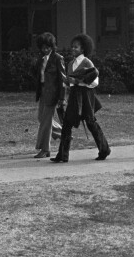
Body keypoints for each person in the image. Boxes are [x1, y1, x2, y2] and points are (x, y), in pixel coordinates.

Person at [51, 34, 110, 163]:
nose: (73, 49)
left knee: (91, 123)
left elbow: (95, 82)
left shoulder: (87, 62)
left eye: (76, 47)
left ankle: (104, 150)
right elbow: (70, 83)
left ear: (83, 49)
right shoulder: (71, 63)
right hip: (74, 96)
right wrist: (67, 84)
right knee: (66, 124)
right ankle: (62, 155)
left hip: (85, 96)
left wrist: (77, 81)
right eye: (72, 47)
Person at [32, 32, 65, 158]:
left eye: (47, 47)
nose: (45, 50)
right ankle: (64, 133)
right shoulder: (41, 59)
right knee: (41, 118)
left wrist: (62, 98)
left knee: (45, 122)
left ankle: (45, 149)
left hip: (52, 93)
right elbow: (38, 75)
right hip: (43, 91)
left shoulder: (58, 58)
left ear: (52, 46)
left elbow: (63, 80)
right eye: (43, 47)